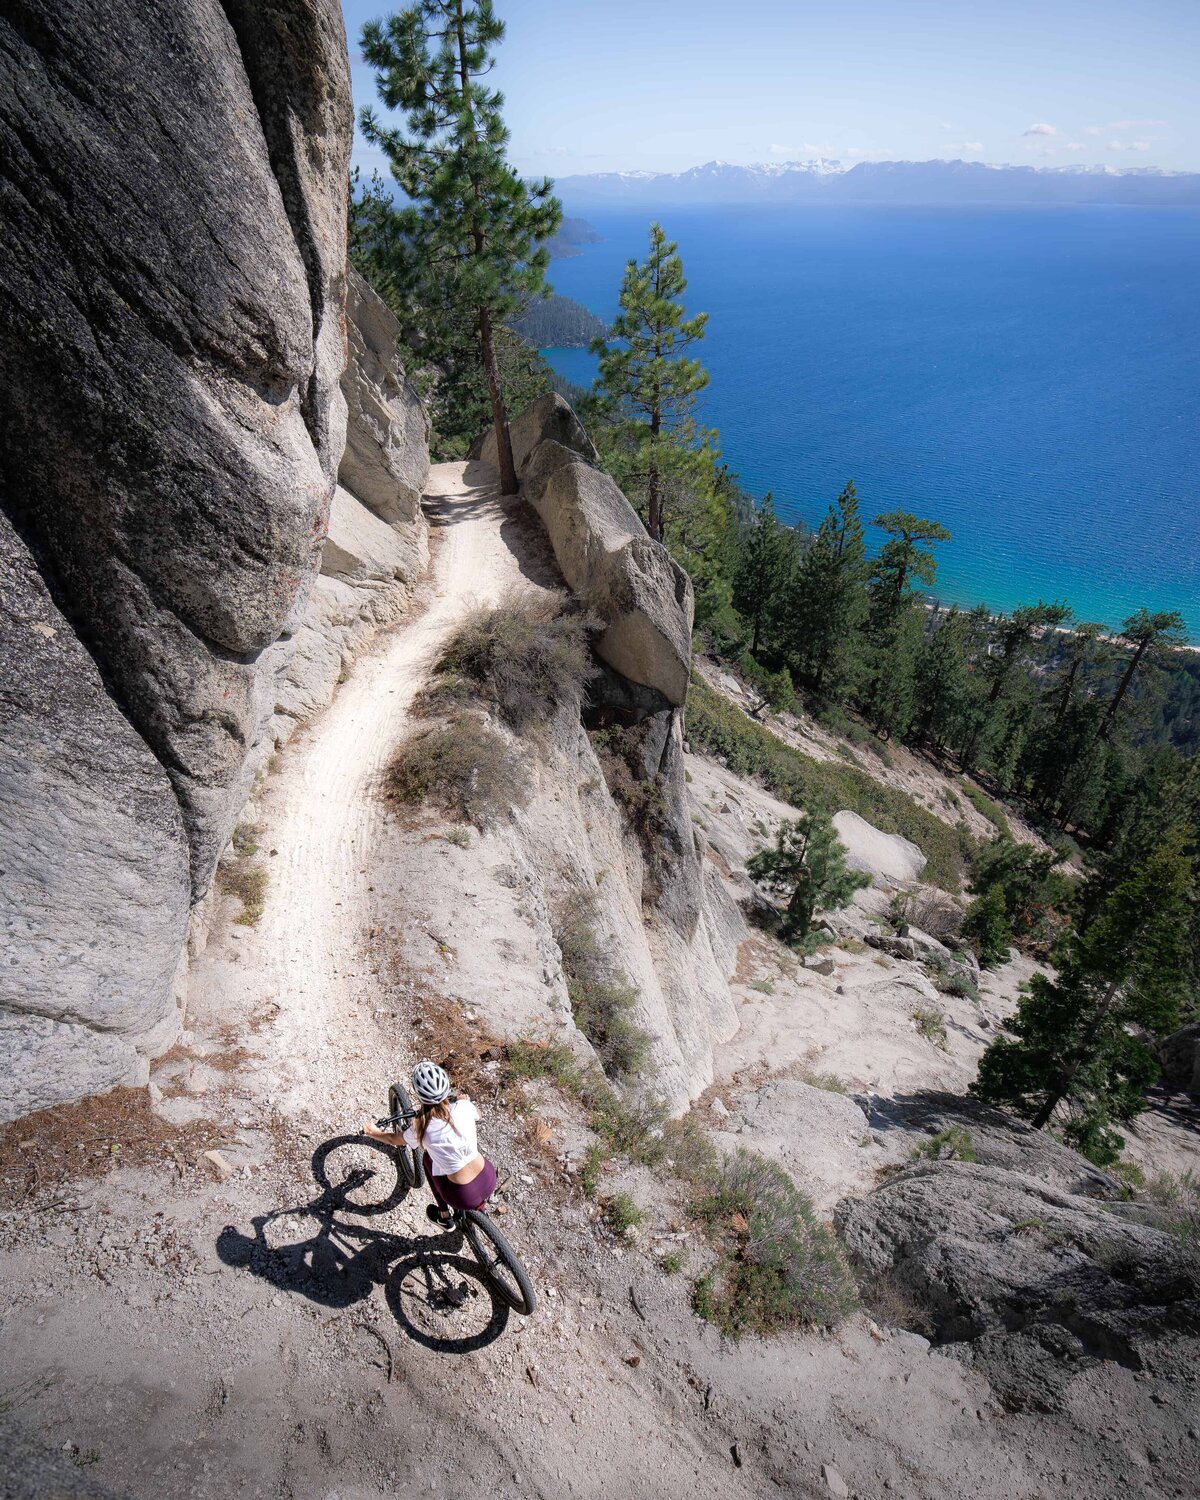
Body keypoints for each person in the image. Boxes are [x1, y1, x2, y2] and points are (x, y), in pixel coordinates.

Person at [364, 1060, 496, 1227]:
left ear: (419, 1095)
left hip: (463, 1196)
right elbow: (478, 1114)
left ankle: (444, 1215)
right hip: (489, 1177)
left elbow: (393, 1139)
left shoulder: (421, 1126)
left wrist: (374, 1132)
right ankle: (478, 1211)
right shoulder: (463, 1106)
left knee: (427, 1158)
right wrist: (465, 1100)